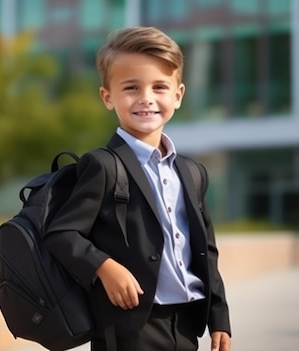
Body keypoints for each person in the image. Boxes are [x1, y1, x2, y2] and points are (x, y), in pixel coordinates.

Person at [43, 26, 232, 351]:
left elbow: (206, 250)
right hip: (128, 327)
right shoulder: (103, 165)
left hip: (186, 323)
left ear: (178, 94)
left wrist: (219, 316)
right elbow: (62, 233)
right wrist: (104, 267)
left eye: (160, 87)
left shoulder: (192, 172)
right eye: (131, 87)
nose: (146, 98)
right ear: (108, 96)